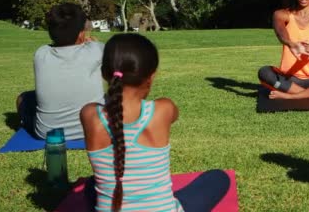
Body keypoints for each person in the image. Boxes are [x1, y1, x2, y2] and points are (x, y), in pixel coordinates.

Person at [80, 33, 230, 211]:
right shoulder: (163, 110)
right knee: (219, 178)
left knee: (90, 185)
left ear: (105, 74)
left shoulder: (89, 115)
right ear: (151, 76)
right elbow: (175, 115)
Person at [16, 3, 104, 140]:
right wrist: (91, 43)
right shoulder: (96, 49)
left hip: (46, 134)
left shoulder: (41, 53)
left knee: (23, 99)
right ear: (81, 34)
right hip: (95, 128)